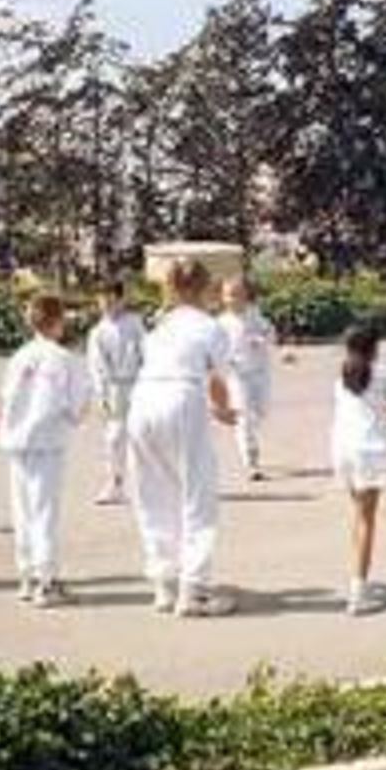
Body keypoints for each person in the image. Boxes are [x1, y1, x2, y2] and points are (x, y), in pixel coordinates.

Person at [127, 259, 239, 617]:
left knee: (153, 492)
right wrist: (223, 410)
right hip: (182, 398)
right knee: (197, 494)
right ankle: (195, 591)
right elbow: (216, 379)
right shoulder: (209, 326)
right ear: (206, 288)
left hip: (143, 401)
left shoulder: (159, 324)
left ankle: (164, 584)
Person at [0, 293, 91, 608]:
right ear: (57, 321)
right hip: (47, 443)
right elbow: (75, 405)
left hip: (17, 442)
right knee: (44, 513)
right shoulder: (63, 359)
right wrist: (76, 414)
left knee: (22, 512)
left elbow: (6, 396)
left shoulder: (20, 356)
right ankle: (46, 581)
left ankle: (26, 576)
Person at [331, 324, 386, 616]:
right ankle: (358, 593)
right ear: (374, 348)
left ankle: (359, 581)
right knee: (367, 520)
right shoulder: (383, 374)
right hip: (369, 450)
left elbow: (369, 409)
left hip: (343, 449)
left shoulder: (342, 374)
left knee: (358, 515)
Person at [86, 279, 146, 505]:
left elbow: (146, 351)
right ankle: (115, 482)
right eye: (102, 299)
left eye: (112, 299)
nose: (107, 304)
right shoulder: (98, 332)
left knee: (143, 434)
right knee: (114, 437)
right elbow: (96, 367)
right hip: (113, 388)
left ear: (122, 299)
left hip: (137, 384)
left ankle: (146, 483)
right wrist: (101, 395)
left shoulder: (134, 323)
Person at [218, 275, 277, 481]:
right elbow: (217, 350)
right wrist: (225, 361)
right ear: (223, 298)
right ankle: (251, 460)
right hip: (238, 376)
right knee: (244, 417)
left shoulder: (255, 315)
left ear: (246, 296)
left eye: (237, 294)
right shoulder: (222, 323)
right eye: (228, 295)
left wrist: (260, 340)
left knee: (261, 411)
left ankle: (250, 432)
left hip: (260, 373)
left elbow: (271, 333)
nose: (232, 299)